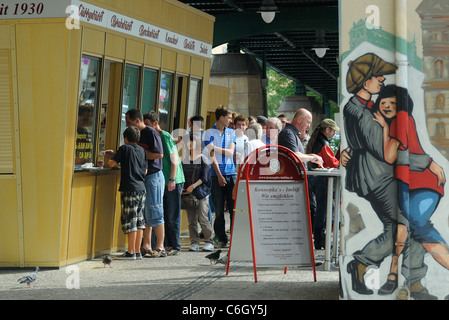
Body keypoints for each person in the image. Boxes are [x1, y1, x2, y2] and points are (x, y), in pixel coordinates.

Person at [342, 53, 430, 298]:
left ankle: (409, 279)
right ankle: (363, 262)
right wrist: (424, 162)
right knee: (403, 225)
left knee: (403, 225)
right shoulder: (363, 113)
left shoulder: (360, 106)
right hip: (376, 176)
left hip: (371, 174)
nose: (381, 79)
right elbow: (385, 152)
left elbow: (360, 144)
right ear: (365, 82)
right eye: (376, 76)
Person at [372, 85, 448, 295]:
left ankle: (396, 276)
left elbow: (393, 157)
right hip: (408, 184)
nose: (386, 105)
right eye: (383, 102)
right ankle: (400, 277)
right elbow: (393, 156)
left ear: (401, 106)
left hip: (423, 183)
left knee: (418, 225)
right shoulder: (394, 123)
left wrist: (428, 162)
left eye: (392, 103)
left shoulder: (403, 117)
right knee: (408, 229)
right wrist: (386, 128)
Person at [124, 109, 165, 258]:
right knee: (145, 214)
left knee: (155, 211)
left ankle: (160, 247)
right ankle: (146, 245)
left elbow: (160, 154)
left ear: (136, 121)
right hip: (143, 177)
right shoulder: (136, 134)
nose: (127, 126)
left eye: (128, 122)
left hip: (153, 176)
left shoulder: (150, 133)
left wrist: (138, 153)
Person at [144, 111, 185, 256]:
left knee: (172, 215)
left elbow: (174, 159)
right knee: (162, 212)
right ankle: (164, 244)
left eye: (148, 124)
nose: (146, 127)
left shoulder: (164, 136)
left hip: (173, 179)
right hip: (163, 179)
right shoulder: (152, 136)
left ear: (155, 123)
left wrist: (172, 179)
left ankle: (174, 246)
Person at [106, 126, 147, 259]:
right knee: (139, 221)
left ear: (125, 138)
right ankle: (137, 251)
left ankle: (130, 252)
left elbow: (112, 164)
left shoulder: (124, 148)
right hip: (142, 188)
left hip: (129, 188)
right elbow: (145, 171)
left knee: (130, 220)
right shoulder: (142, 150)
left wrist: (109, 160)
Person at [204, 106, 237, 248]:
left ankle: (236, 238)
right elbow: (212, 157)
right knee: (218, 210)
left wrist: (214, 148)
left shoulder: (231, 132)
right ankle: (221, 239)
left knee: (234, 208)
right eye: (229, 117)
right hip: (215, 175)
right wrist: (218, 175)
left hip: (231, 174)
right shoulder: (208, 133)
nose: (231, 120)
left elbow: (230, 153)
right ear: (221, 118)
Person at [305, 119, 341, 249]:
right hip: (322, 180)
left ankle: (319, 239)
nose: (334, 133)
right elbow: (333, 163)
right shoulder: (323, 143)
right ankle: (321, 240)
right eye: (333, 131)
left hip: (314, 178)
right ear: (327, 130)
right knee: (325, 210)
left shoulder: (315, 140)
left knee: (323, 209)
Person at [181, 132, 214, 252]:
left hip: (202, 193)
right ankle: (194, 242)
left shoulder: (203, 158)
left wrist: (193, 186)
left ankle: (209, 241)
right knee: (192, 220)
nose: (189, 143)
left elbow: (205, 177)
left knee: (203, 218)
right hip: (188, 194)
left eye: (192, 141)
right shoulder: (184, 159)